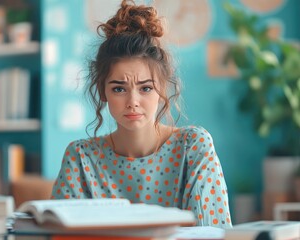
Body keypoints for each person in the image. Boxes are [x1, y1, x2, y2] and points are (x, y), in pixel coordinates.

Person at [51, 0, 232, 228]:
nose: (133, 102)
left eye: (145, 88)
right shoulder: (80, 157)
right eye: (119, 89)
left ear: (162, 89)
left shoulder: (193, 146)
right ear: (103, 91)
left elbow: (213, 232)